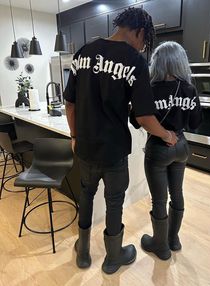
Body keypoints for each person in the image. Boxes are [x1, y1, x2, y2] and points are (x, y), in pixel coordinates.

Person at [64, 8, 177, 274]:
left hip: (86, 147)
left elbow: (70, 104)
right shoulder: (134, 60)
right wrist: (166, 134)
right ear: (138, 31)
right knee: (114, 202)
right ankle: (113, 258)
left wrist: (74, 135)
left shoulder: (83, 52)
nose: (142, 46)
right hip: (113, 150)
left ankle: (83, 252)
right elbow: (145, 116)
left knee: (87, 195)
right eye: (144, 40)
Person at [140, 41, 202, 260]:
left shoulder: (150, 88)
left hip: (158, 148)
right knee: (177, 194)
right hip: (181, 147)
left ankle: (160, 247)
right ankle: (173, 239)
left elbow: (136, 121)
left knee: (159, 199)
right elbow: (195, 123)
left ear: (157, 63)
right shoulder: (189, 88)